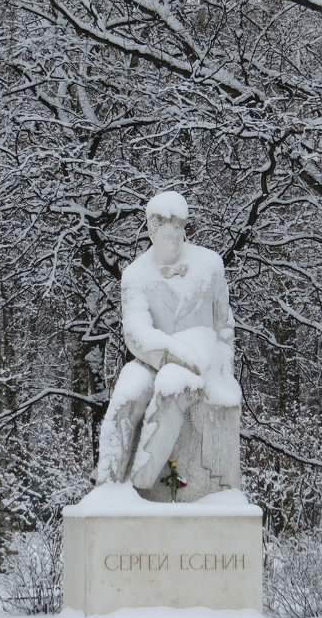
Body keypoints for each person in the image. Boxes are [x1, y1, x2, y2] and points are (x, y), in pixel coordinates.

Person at [96, 191, 240, 493]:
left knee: (170, 388)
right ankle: (107, 491)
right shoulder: (135, 275)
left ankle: (141, 483)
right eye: (166, 237)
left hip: (200, 355)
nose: (173, 243)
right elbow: (135, 332)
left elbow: (224, 326)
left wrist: (222, 366)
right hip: (155, 358)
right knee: (125, 398)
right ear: (152, 233)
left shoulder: (209, 265)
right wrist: (168, 353)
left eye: (178, 236)